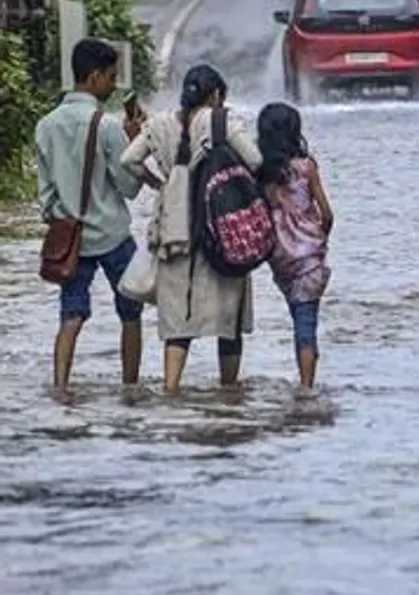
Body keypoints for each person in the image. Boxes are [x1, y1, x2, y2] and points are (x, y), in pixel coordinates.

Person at [121, 64, 261, 395]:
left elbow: (129, 159)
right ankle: (229, 394)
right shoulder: (222, 122)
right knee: (228, 320)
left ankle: (171, 390)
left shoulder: (159, 124)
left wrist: (159, 183)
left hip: (174, 225)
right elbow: (255, 160)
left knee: (177, 320)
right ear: (216, 95)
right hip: (219, 224)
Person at [35, 39, 146, 392]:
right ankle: (130, 388)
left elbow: (46, 195)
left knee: (71, 315)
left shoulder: (46, 126)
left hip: (72, 239)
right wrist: (133, 142)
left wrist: (63, 216)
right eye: (111, 76)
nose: (114, 85)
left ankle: (61, 388)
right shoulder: (108, 125)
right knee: (131, 315)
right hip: (112, 235)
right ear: (95, 76)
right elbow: (129, 186)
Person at [256, 103, 333, 389]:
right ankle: (307, 387)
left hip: (279, 260)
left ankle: (306, 379)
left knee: (298, 317)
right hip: (308, 259)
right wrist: (320, 237)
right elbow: (326, 213)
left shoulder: (261, 172)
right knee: (306, 324)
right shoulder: (306, 168)